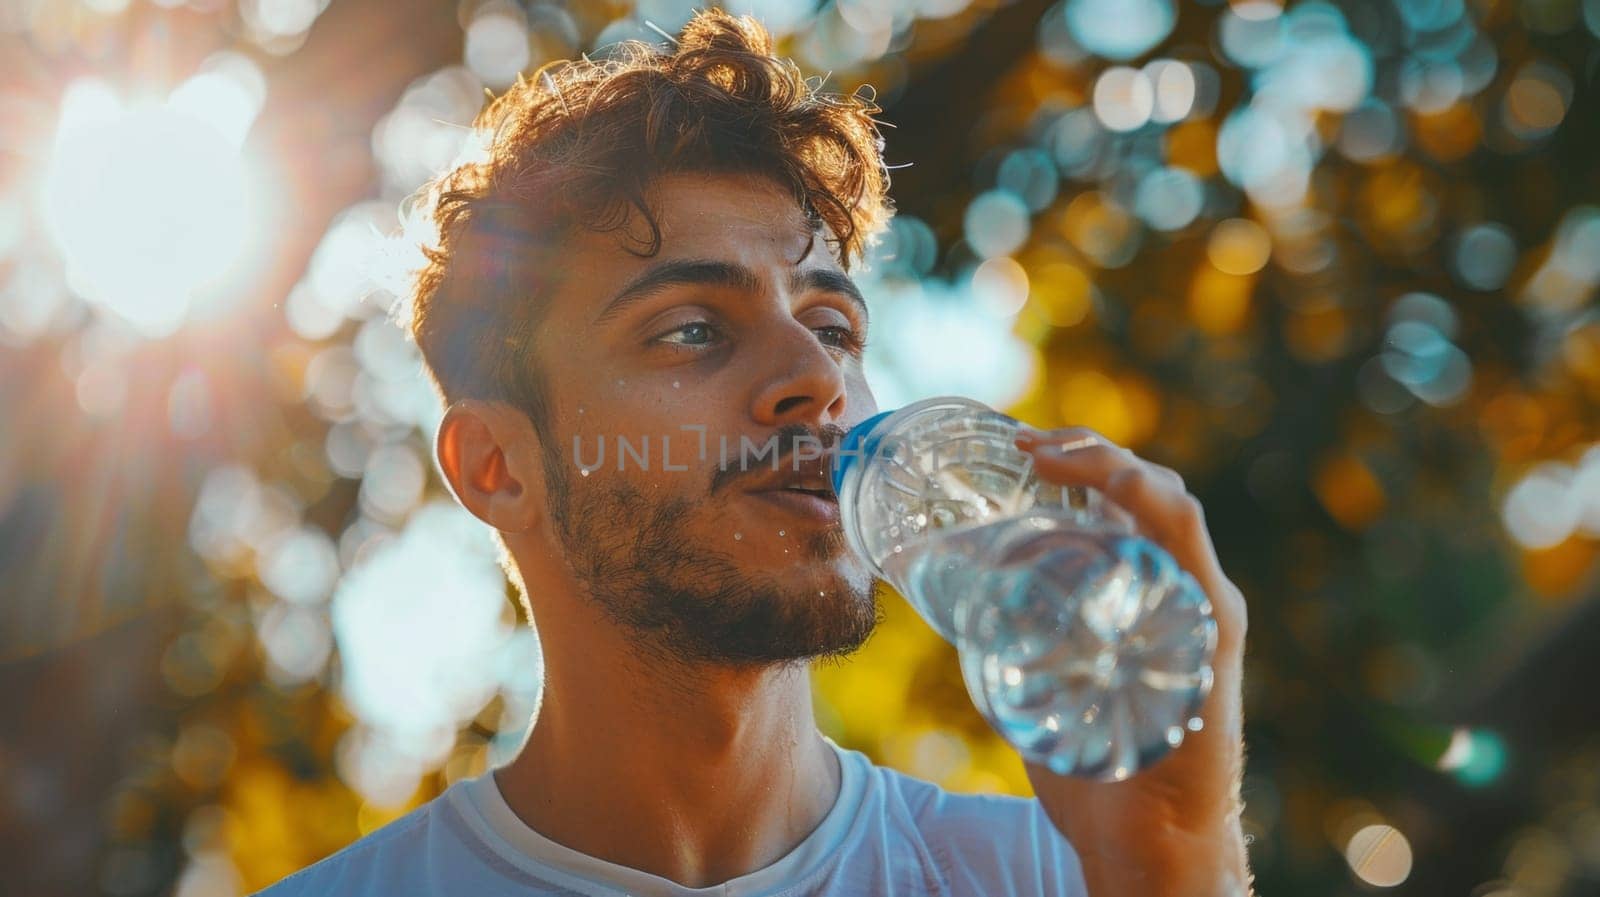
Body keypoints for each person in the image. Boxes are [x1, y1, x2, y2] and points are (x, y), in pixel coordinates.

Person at [259, 10, 1251, 896]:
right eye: (689, 328)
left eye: (831, 325)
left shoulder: (1058, 877)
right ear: (497, 467)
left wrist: (1175, 859)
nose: (812, 380)